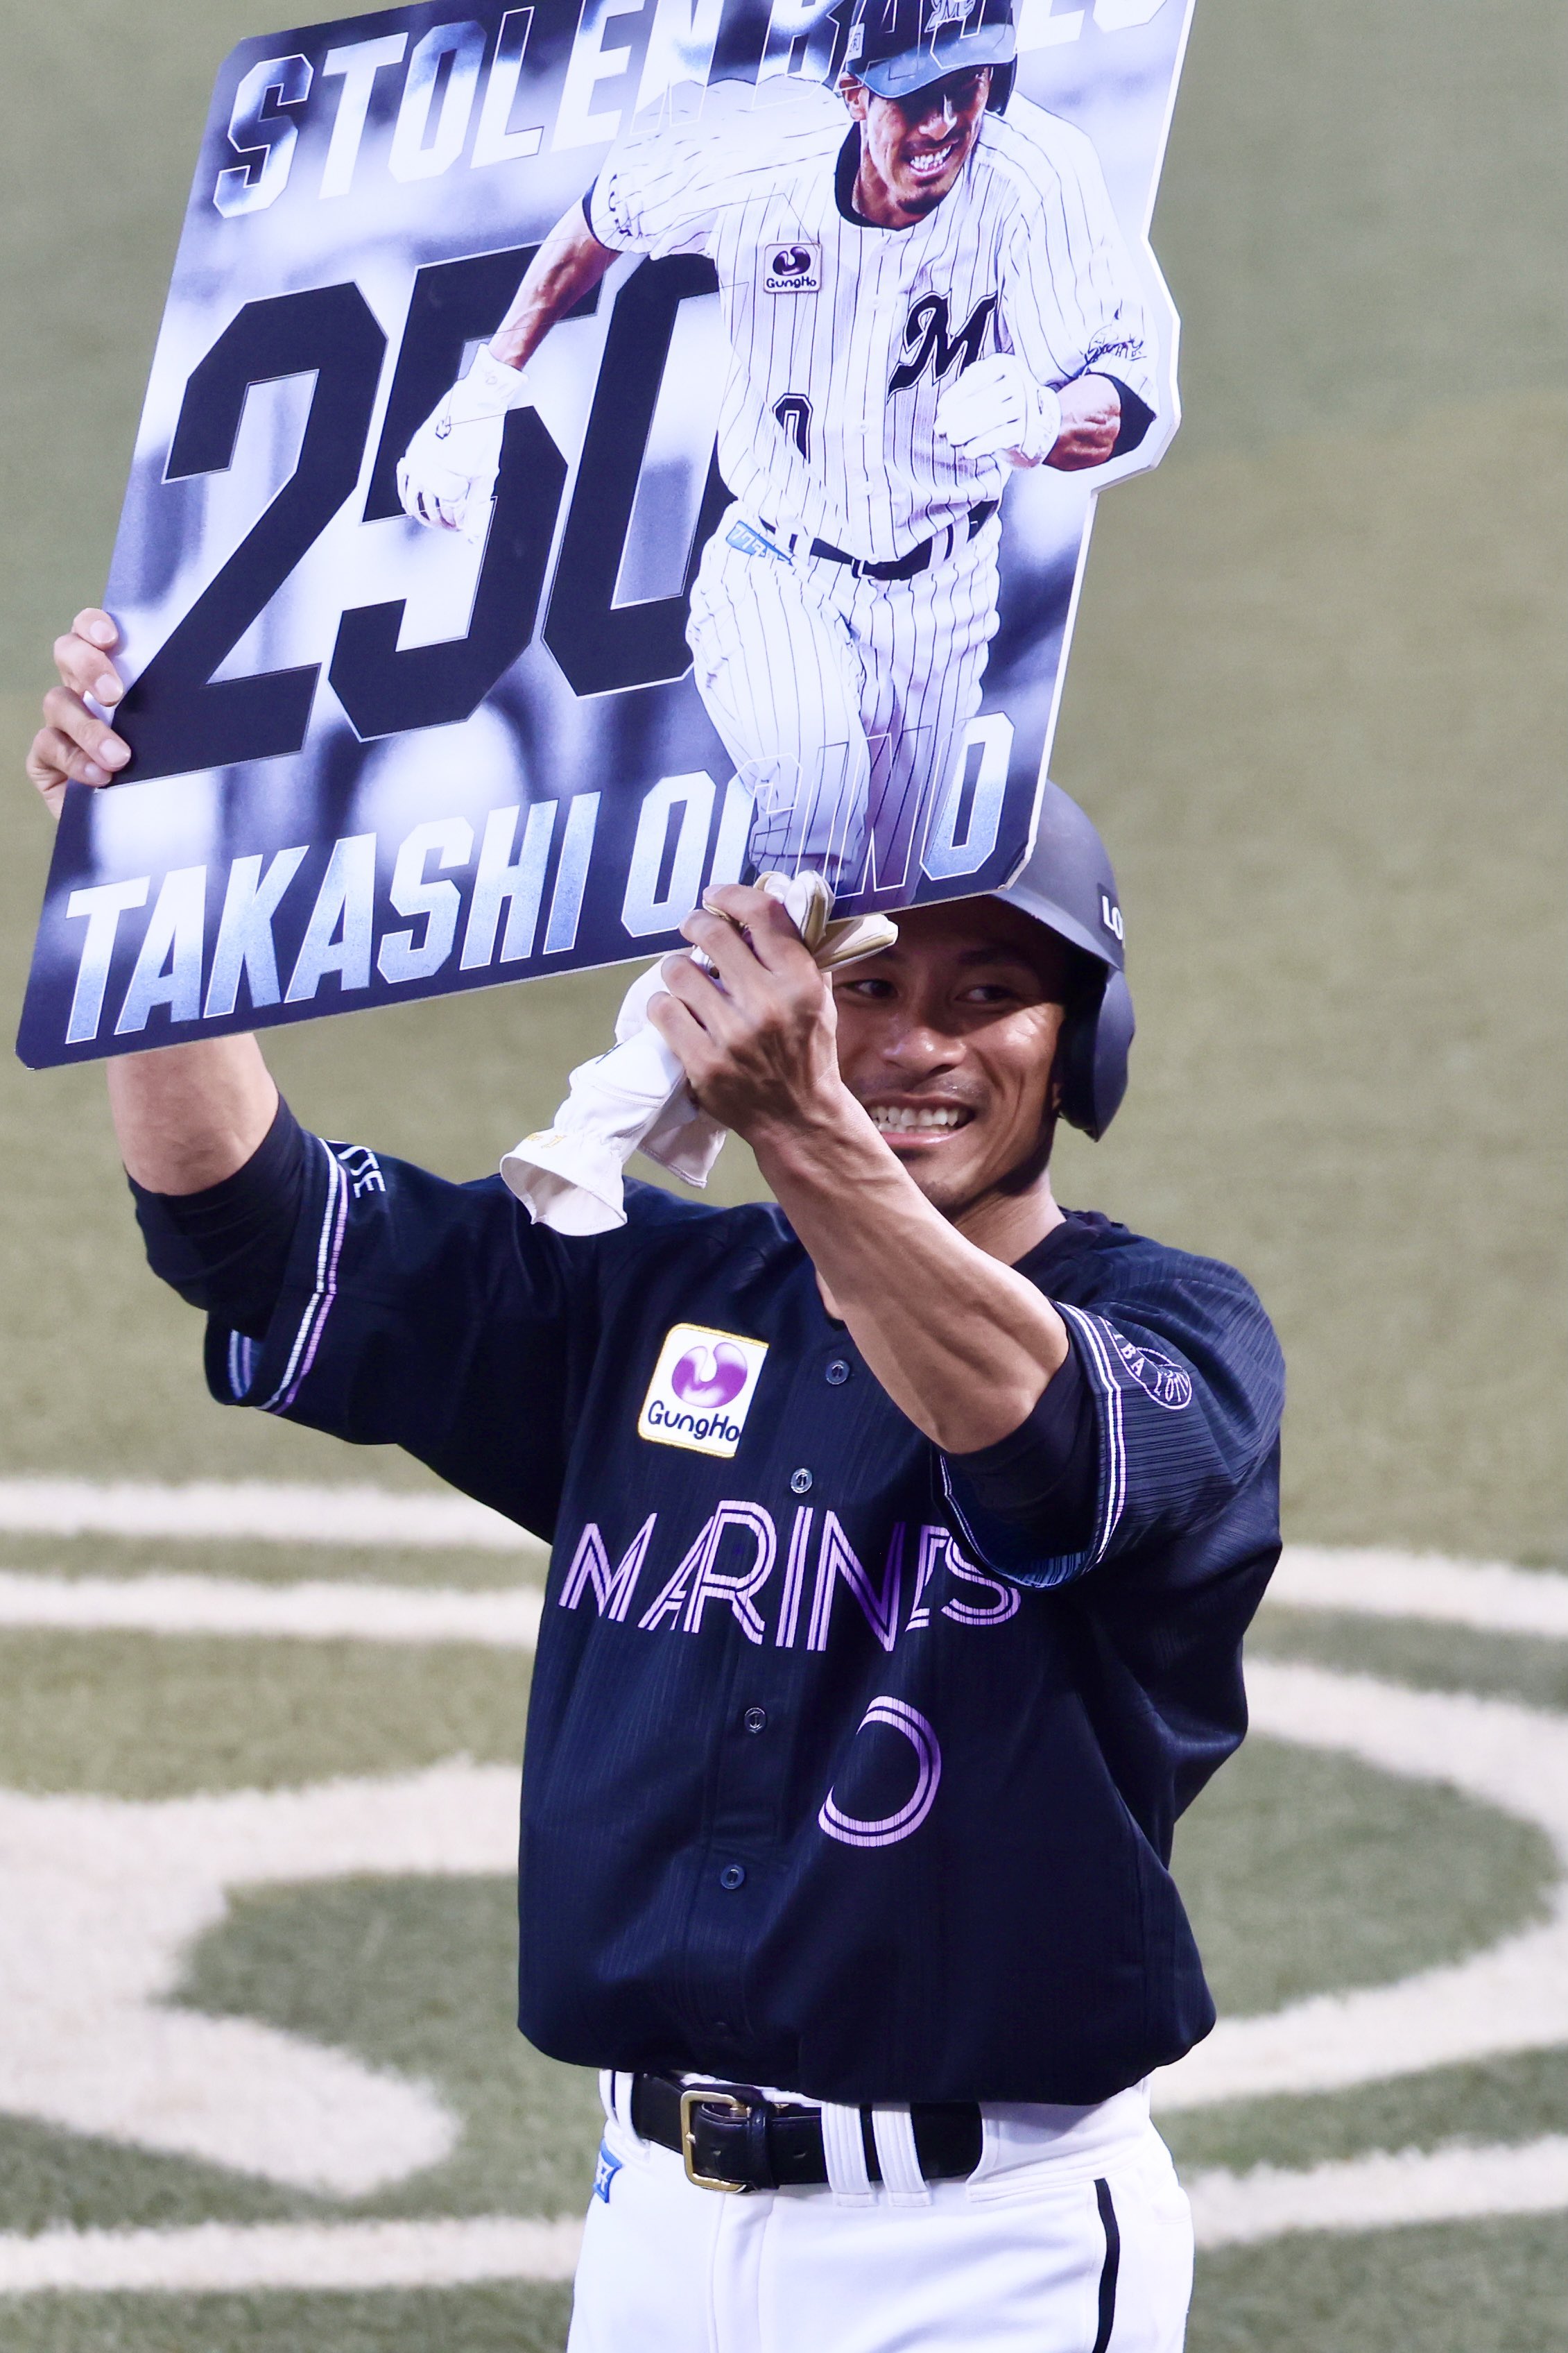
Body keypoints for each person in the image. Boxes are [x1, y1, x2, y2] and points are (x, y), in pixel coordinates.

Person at [28, 610, 1283, 2352]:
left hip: (985, 2246)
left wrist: (800, 1126)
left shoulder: (1178, 1332)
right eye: (867, 984)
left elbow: (1036, 1441)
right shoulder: (647, 1297)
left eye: (991, 994)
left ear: (1080, 1042)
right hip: (654, 2225)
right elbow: (252, 1231)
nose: (920, 1042)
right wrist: (155, 856)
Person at [396, 0, 1160, 891]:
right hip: (777, 563)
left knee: (886, 900)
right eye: (916, 93)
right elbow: (597, 221)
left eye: (967, 85)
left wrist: (1045, 415)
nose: (944, 122)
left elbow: (1127, 394)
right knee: (812, 843)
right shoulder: (747, 153)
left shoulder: (1035, 174)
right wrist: (486, 387)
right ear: (853, 91)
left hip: (944, 587)